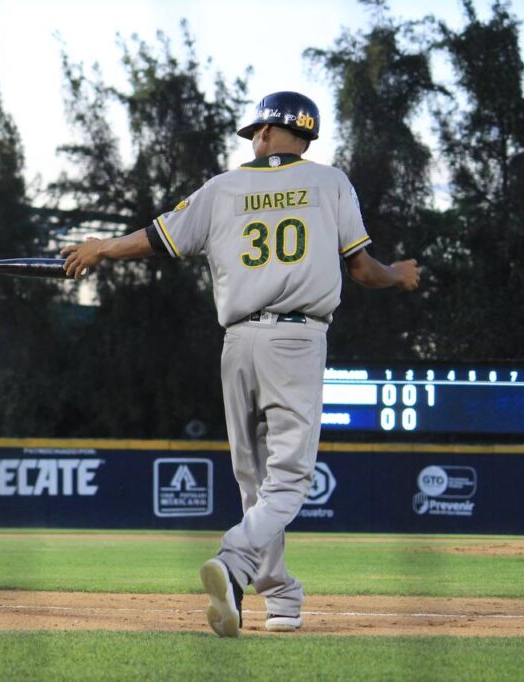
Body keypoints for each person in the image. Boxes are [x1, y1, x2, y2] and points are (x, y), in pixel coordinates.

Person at [61, 91, 420, 637]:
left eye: (257, 131)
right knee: (290, 479)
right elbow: (363, 269)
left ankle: (281, 599)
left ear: (270, 132)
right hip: (296, 339)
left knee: (254, 479)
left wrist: (101, 248)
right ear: (307, 137)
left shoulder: (223, 188)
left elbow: (158, 238)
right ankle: (233, 563)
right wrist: (398, 274)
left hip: (238, 341)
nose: (255, 139)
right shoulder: (330, 182)